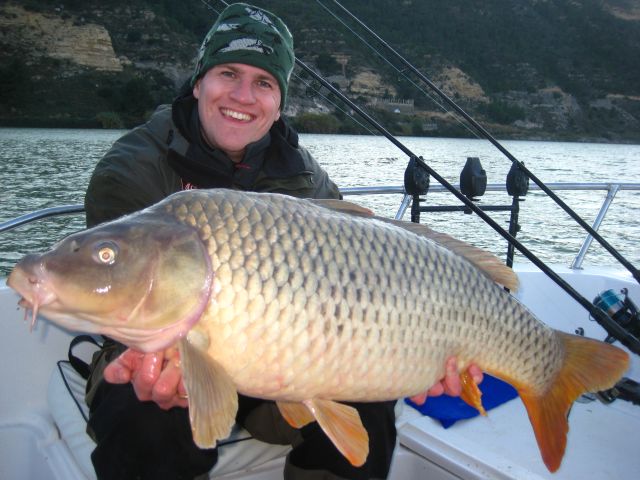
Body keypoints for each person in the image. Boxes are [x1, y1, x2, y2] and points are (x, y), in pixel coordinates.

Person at [83, 3, 482, 480]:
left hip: (284, 360)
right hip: (163, 346)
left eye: (264, 83)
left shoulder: (306, 179)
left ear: (279, 103)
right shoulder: (133, 168)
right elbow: (117, 302)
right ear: (198, 83)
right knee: (146, 409)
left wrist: (414, 355)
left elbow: (357, 293)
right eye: (228, 73)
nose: (243, 95)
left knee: (373, 406)